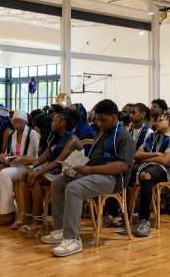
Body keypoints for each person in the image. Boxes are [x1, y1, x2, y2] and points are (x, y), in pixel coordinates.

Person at [41, 99, 134, 257]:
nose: (99, 123)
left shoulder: (124, 137)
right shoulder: (102, 133)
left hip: (113, 179)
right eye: (97, 119)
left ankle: (73, 239)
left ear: (114, 117)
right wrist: (73, 167)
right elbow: (91, 157)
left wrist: (88, 169)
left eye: (102, 120)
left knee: (74, 188)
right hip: (93, 172)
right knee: (58, 182)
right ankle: (60, 229)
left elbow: (122, 166)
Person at [18, 111, 79, 234]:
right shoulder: (55, 138)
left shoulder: (72, 139)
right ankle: (28, 216)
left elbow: (58, 162)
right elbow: (43, 158)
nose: (51, 123)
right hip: (54, 170)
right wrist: (30, 168)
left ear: (62, 123)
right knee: (25, 176)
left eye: (54, 120)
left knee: (36, 180)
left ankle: (37, 221)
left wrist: (37, 173)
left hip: (68, 173)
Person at [132, 112, 170, 237]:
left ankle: (144, 220)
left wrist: (145, 159)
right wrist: (156, 155)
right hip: (147, 166)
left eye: (160, 120)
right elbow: (137, 154)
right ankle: (120, 213)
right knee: (125, 170)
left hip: (164, 171)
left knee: (145, 175)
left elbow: (165, 161)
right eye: (156, 120)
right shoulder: (152, 137)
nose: (156, 122)